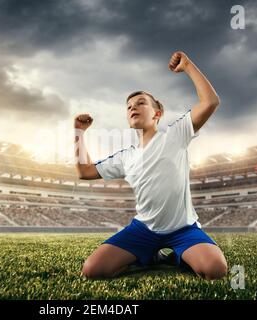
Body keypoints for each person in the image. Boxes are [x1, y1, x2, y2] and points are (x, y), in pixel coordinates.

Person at [74, 51, 227, 280]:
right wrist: (78, 132)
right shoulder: (126, 157)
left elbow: (210, 102)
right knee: (92, 271)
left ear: (158, 113)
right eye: (129, 107)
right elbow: (85, 172)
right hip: (143, 230)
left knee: (215, 270)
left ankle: (177, 254)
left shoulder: (175, 135)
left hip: (183, 229)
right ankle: (149, 253)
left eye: (141, 103)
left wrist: (187, 66)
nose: (133, 107)